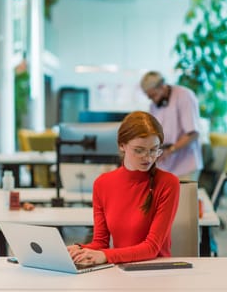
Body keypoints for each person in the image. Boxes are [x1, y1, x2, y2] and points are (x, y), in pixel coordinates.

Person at [68, 111, 180, 265]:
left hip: (156, 271)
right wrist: (79, 249)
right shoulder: (102, 184)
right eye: (139, 150)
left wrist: (105, 256)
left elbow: (152, 248)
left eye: (154, 150)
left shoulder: (168, 183)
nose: (148, 158)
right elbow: (100, 243)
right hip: (121, 269)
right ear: (122, 145)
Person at [140, 71, 203, 181]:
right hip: (165, 166)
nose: (152, 100)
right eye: (149, 97)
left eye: (154, 95)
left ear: (162, 86)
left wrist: (170, 150)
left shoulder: (184, 96)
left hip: (185, 166)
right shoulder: (154, 104)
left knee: (184, 198)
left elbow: (193, 134)